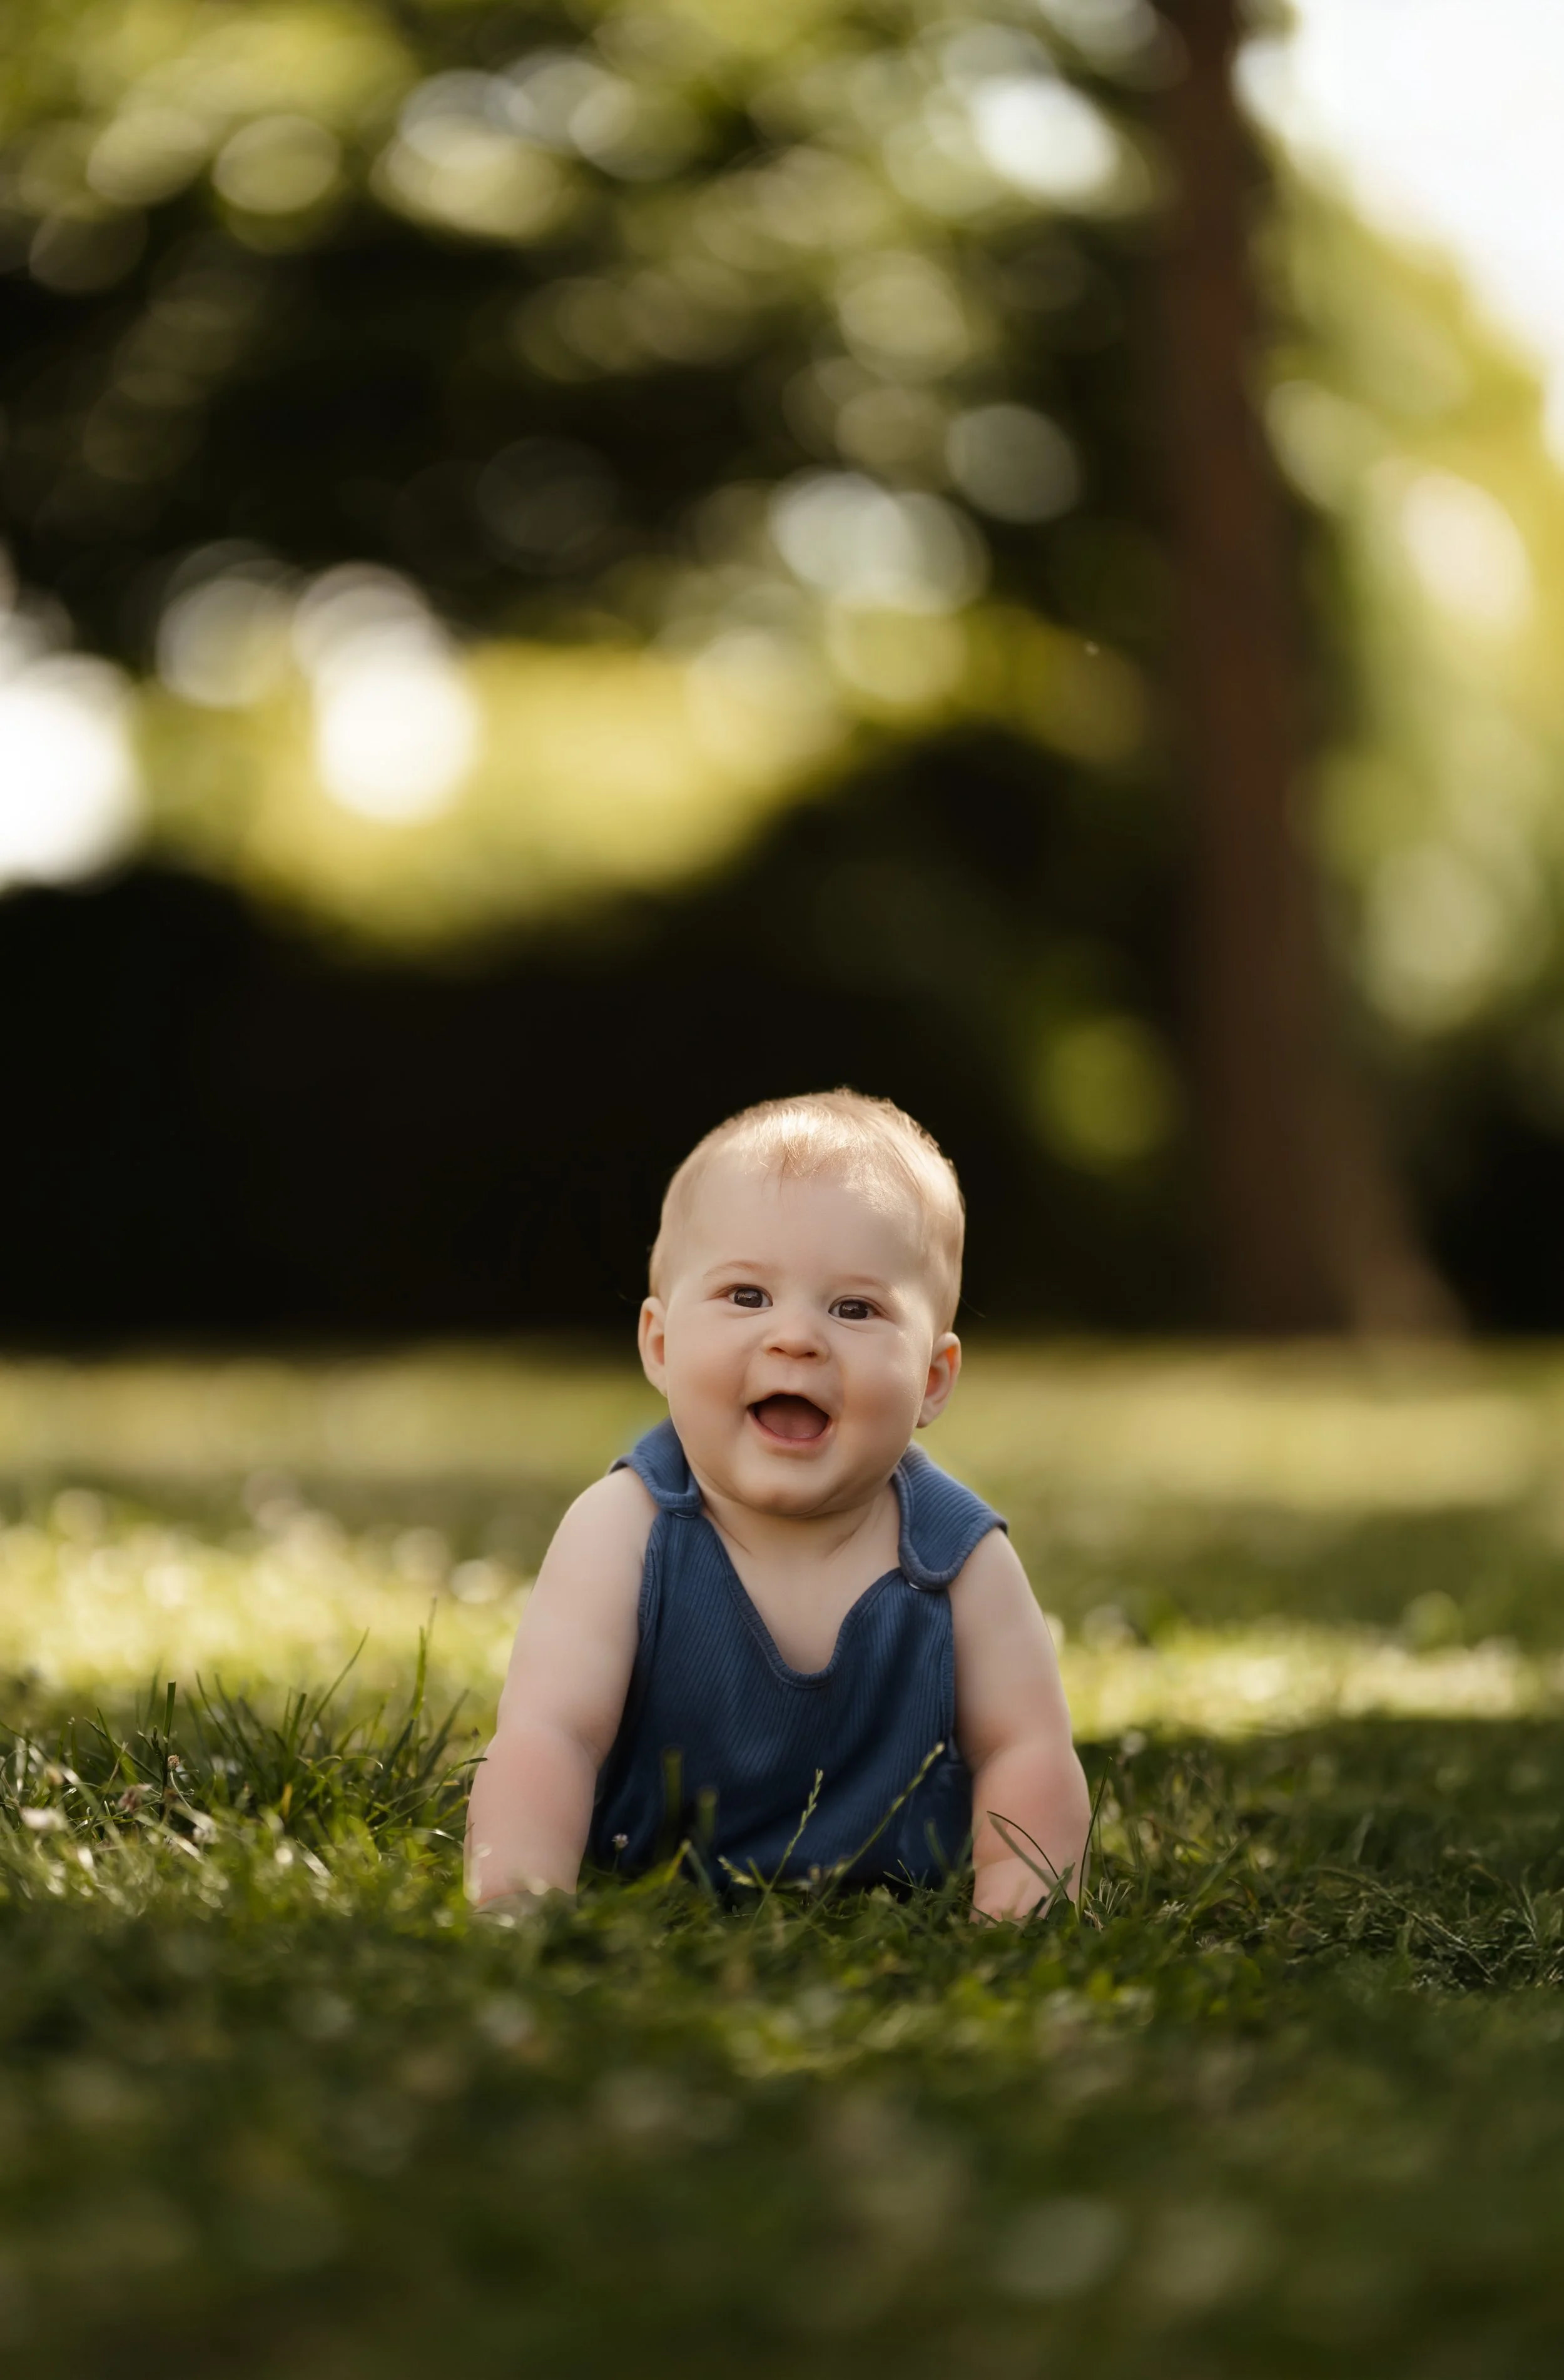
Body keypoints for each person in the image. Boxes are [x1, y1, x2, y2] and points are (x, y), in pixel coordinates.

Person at [466, 1090, 1091, 1923]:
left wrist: (1021, 1919)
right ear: (659, 1344)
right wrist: (519, 1897)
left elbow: (1027, 1748)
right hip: (649, 1868)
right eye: (748, 1297)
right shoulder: (624, 1529)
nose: (795, 1338)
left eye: (855, 1309)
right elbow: (552, 1733)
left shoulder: (959, 1560)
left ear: (932, 1380)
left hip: (893, 1890)